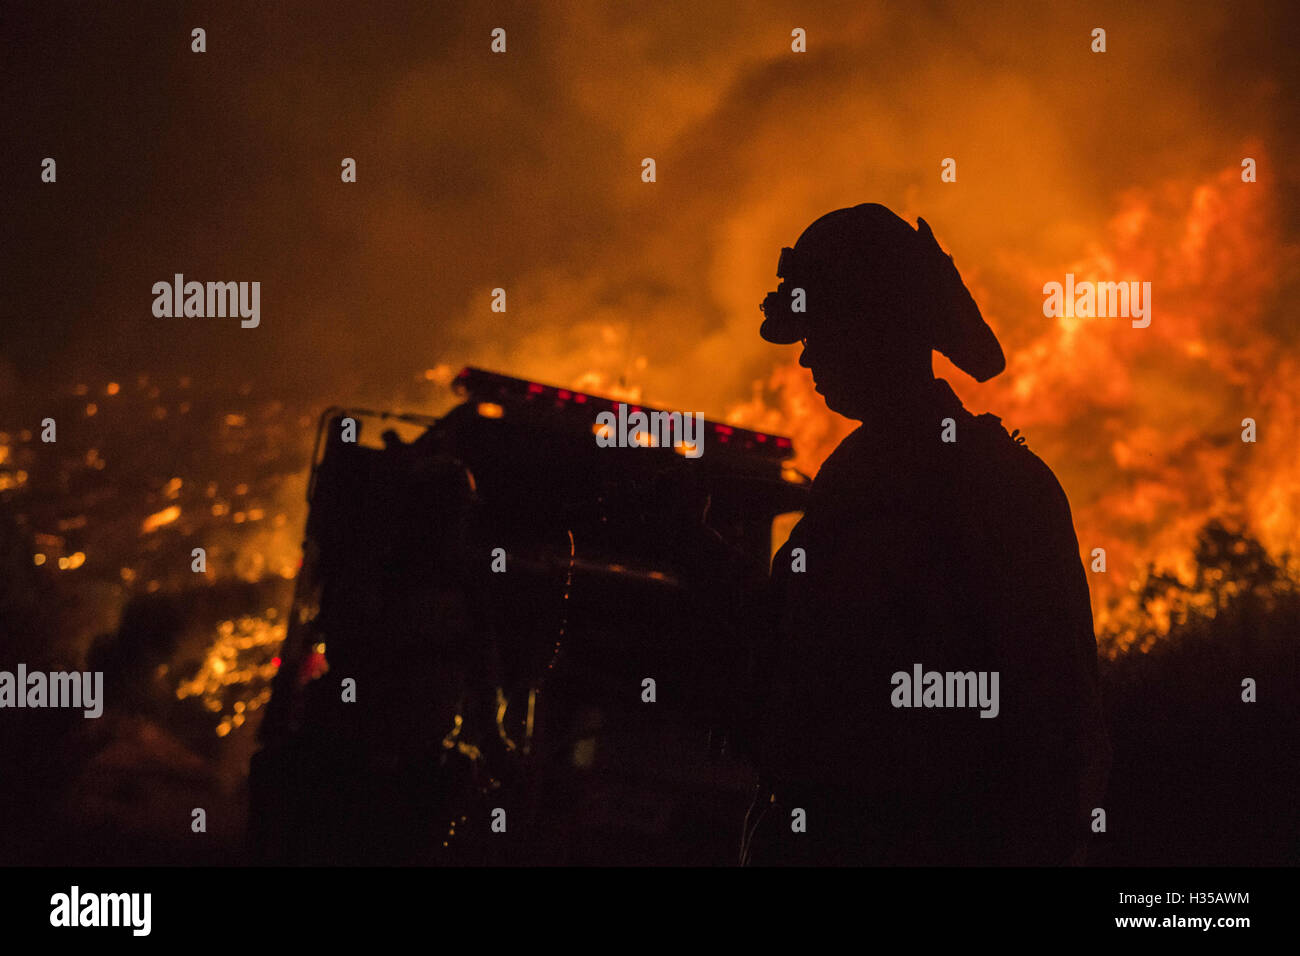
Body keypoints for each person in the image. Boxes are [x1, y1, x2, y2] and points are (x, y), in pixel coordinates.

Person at [741, 203, 1110, 865]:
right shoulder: (859, 478)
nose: (807, 355)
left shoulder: (984, 481)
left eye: (820, 327)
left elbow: (1050, 710)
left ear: (877, 326)